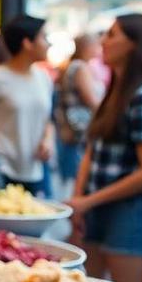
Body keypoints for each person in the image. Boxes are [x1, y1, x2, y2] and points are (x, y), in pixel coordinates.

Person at [65, 15, 142, 282]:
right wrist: (79, 202)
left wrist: (87, 201)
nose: (104, 42)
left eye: (113, 35)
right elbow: (91, 154)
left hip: (131, 213)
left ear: (135, 45)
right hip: (97, 210)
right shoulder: (115, 91)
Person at [0, 16, 55, 194]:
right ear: (27, 43)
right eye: (43, 37)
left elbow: (46, 121)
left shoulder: (43, 78)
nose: (48, 44)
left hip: (34, 168)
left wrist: (48, 140)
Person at [55, 34, 106, 189]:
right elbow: (91, 100)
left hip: (73, 129)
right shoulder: (79, 67)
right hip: (79, 129)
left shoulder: (73, 65)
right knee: (74, 179)